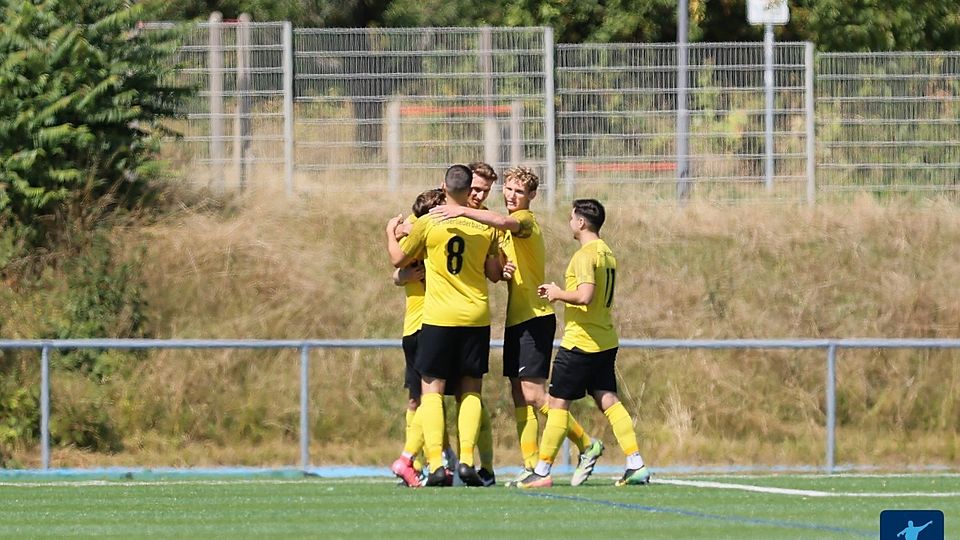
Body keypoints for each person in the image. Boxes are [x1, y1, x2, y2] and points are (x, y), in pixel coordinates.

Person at [429, 167, 603, 487]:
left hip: (535, 318)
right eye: (508, 189)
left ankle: (586, 443)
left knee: (536, 396)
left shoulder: (526, 221)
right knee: (519, 396)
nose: (511, 196)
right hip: (516, 319)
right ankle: (530, 464)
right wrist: (502, 268)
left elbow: (504, 221)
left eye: (519, 191)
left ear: (531, 197)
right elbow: (495, 268)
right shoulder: (502, 231)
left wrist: (460, 209)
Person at [516, 199, 650, 488]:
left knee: (556, 404)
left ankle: (541, 471)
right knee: (609, 401)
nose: (569, 222)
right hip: (604, 339)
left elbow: (585, 295)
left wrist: (557, 293)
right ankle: (635, 463)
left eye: (571, 217)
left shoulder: (586, 255)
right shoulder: (607, 252)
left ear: (581, 222)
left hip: (581, 342)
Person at [386, 164, 504, 487]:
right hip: (476, 317)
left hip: (438, 318)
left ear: (443, 187)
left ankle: (437, 463)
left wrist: (389, 232)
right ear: (471, 191)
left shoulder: (427, 224)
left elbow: (399, 259)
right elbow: (494, 271)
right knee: (470, 390)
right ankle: (467, 460)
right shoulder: (485, 226)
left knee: (432, 390)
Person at [389, 188, 448, 487]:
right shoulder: (429, 238)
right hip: (430, 326)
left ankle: (420, 463)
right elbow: (398, 266)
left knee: (418, 401)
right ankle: (413, 459)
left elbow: (397, 266)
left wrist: (393, 232)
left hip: (413, 329)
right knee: (431, 398)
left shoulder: (412, 237)